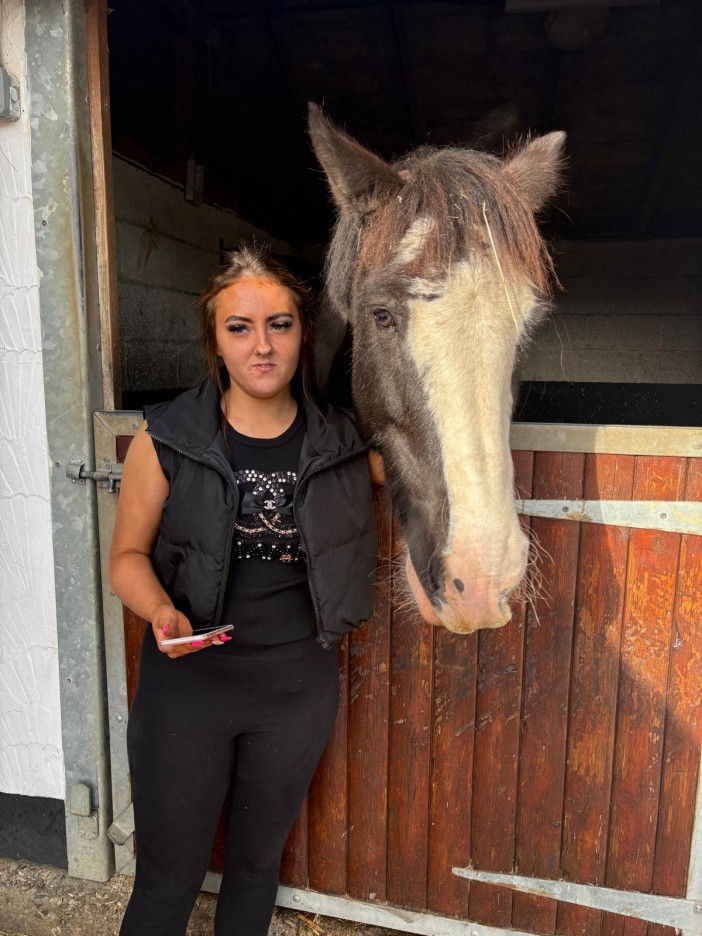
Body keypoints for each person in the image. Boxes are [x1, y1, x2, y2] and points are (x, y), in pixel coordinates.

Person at [109, 245, 381, 936]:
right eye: (240, 327)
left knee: (258, 869)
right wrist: (159, 610)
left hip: (296, 691)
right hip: (189, 692)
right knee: (168, 878)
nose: (262, 345)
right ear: (215, 342)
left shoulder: (347, 444)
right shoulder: (167, 438)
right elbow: (127, 558)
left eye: (280, 324)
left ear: (303, 333)